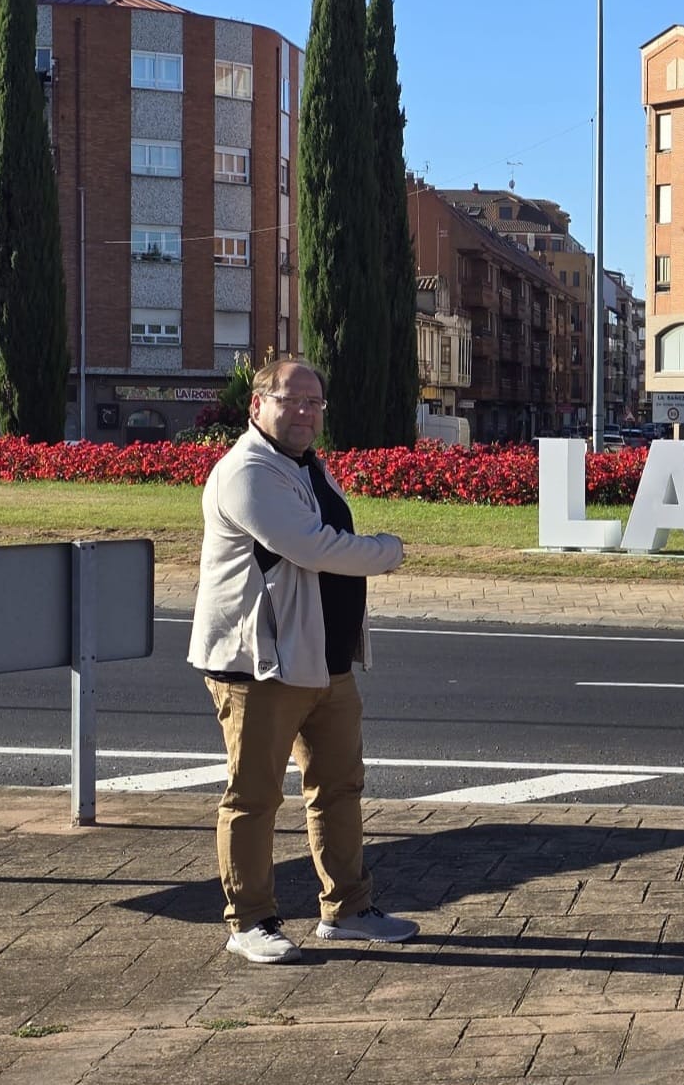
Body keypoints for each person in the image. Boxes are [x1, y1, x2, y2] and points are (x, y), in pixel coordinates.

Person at [187, 359, 415, 965]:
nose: (306, 413)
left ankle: (348, 910)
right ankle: (250, 922)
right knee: (254, 798)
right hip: (260, 667)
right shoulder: (246, 472)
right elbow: (310, 547)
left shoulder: (307, 466)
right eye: (292, 401)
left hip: (324, 662)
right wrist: (386, 552)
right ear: (257, 404)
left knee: (339, 787)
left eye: (315, 403)